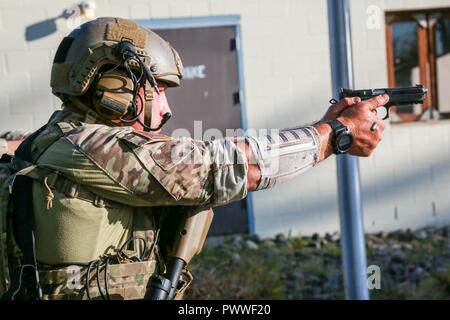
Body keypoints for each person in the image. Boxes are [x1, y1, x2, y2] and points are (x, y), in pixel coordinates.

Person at [1, 17, 387, 300]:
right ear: (110, 84)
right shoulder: (93, 147)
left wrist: (325, 127)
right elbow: (234, 167)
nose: (167, 109)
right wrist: (335, 135)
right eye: (157, 89)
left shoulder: (48, 139)